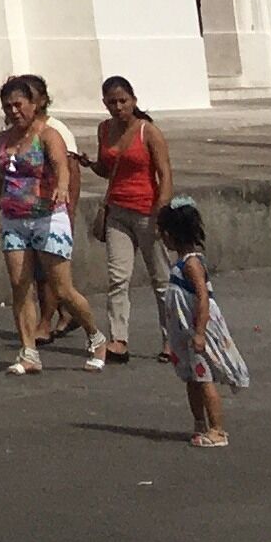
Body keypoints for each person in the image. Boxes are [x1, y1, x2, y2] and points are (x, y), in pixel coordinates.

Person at [0, 72, 103, 374]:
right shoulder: (3, 139)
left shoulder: (48, 135)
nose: (14, 111)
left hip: (48, 218)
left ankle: (94, 335)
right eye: (8, 106)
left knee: (61, 288)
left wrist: (63, 188)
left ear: (34, 105)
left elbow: (61, 165)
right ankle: (28, 352)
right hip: (14, 219)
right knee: (19, 286)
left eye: (19, 104)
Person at [92, 74, 175, 362]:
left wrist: (162, 211)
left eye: (123, 101)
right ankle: (119, 339)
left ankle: (171, 340)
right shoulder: (104, 130)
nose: (118, 107)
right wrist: (89, 164)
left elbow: (164, 174)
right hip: (117, 211)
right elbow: (106, 168)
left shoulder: (148, 131)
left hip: (147, 211)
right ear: (104, 103)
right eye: (112, 102)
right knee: (118, 278)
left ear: (134, 101)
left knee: (161, 280)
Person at [151, 199, 247, 447]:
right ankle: (199, 423)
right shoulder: (181, 263)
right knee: (192, 379)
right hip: (185, 332)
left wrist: (200, 333)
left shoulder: (192, 264)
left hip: (197, 330)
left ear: (171, 235)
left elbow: (203, 298)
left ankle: (217, 429)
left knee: (204, 380)